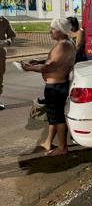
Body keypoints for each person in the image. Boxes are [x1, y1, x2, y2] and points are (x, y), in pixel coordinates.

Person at [22, 18, 76, 156]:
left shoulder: (62, 46)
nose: (50, 31)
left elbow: (49, 66)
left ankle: (62, 147)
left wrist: (30, 68)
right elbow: (56, 62)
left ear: (60, 30)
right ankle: (48, 142)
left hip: (55, 87)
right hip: (58, 85)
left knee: (58, 118)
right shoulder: (68, 43)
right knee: (53, 116)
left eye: (52, 29)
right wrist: (38, 61)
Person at [0, 16, 16, 110]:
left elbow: (12, 36)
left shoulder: (4, 21)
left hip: (0, 53)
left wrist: (5, 42)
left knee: (0, 76)